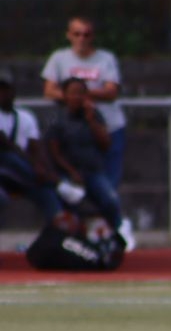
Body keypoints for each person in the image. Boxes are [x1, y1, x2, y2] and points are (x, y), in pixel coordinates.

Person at [43, 77, 134, 250]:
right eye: (73, 93)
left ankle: (119, 235)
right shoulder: (57, 119)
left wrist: (91, 120)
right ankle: (65, 243)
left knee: (110, 200)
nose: (77, 97)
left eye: (81, 93)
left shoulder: (94, 116)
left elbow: (105, 144)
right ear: (65, 95)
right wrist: (71, 172)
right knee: (69, 202)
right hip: (67, 173)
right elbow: (54, 152)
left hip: (92, 171)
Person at [41, 16, 127, 188]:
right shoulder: (59, 58)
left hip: (109, 127)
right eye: (77, 34)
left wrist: (79, 95)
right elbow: (49, 91)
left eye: (86, 35)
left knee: (110, 183)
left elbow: (111, 91)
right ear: (69, 35)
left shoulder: (105, 58)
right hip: (75, 132)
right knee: (77, 184)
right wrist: (77, 97)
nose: (82, 38)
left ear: (92, 36)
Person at [0, 67, 62, 223]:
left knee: (45, 192)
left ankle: (59, 228)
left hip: (20, 174)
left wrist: (41, 166)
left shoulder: (25, 116)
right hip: (8, 168)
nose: (2, 94)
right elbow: (6, 145)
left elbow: (36, 148)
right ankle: (54, 182)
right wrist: (35, 167)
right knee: (10, 157)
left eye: (5, 89)